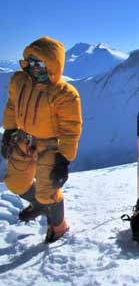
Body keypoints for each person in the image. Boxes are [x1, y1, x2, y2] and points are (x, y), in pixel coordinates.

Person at [1, 36, 82, 243]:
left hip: (49, 145)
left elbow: (70, 130)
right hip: (24, 138)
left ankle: (59, 227)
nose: (34, 67)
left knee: (49, 191)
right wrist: (9, 131)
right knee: (15, 183)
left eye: (40, 63)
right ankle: (40, 205)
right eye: (31, 61)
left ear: (52, 65)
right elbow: (12, 106)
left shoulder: (65, 94)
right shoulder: (19, 81)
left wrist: (64, 160)